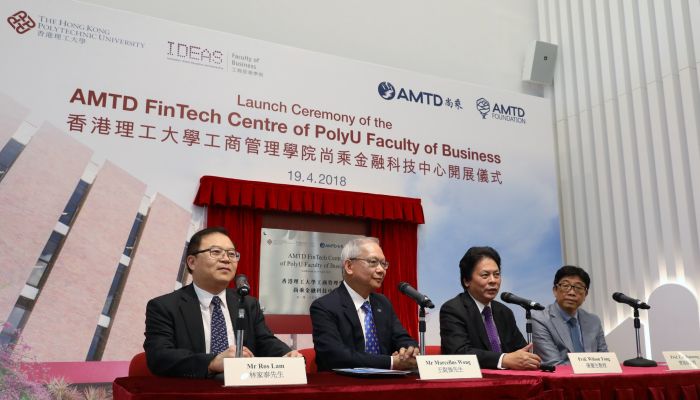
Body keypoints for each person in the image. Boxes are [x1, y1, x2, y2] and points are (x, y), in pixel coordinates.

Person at [144, 227, 300, 378]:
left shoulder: (247, 303)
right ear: (192, 262)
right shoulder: (164, 306)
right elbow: (159, 356)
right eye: (216, 252)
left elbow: (265, 341)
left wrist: (286, 354)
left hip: (243, 389)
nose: (226, 259)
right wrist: (212, 362)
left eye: (232, 254)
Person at [310, 237, 419, 371]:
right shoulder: (324, 306)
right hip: (345, 385)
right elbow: (334, 356)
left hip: (386, 385)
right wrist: (391, 362)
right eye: (373, 262)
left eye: (384, 264)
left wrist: (407, 351)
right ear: (349, 266)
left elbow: (403, 338)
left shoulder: (382, 303)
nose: (381, 270)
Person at [440, 246, 541, 370]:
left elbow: (520, 350)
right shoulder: (453, 309)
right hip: (473, 384)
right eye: (485, 275)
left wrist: (527, 358)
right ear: (466, 280)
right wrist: (503, 359)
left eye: (497, 274)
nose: (493, 281)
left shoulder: (504, 312)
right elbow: (459, 353)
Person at [531, 265, 607, 365]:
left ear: (586, 294)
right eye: (565, 286)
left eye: (578, 288)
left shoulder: (593, 321)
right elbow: (554, 363)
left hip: (594, 378)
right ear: (555, 290)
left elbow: (605, 358)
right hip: (560, 379)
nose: (571, 292)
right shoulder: (540, 319)